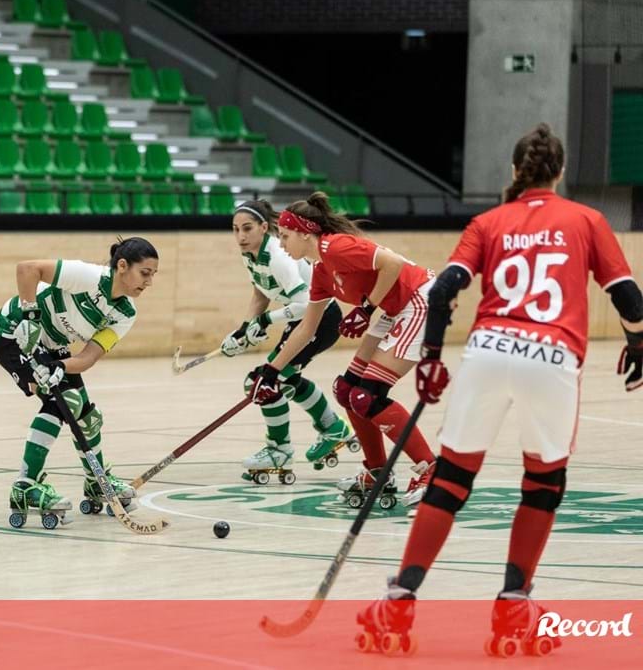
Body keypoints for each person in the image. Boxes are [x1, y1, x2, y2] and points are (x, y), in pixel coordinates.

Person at [358, 124, 643, 653]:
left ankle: (399, 600)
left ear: (514, 172)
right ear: (558, 174)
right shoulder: (587, 219)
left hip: (489, 353)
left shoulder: (488, 222)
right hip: (552, 357)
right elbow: (629, 298)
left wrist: (433, 358)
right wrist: (638, 345)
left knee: (450, 482)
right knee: (542, 484)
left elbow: (443, 291)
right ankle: (514, 602)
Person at [246, 192, 438, 509]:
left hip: (420, 300)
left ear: (305, 233)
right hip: (395, 308)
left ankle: (430, 469)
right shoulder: (321, 271)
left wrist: (365, 309)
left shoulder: (337, 246)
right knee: (347, 390)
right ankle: (377, 471)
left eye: (285, 236)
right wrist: (271, 372)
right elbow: (307, 328)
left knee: (368, 395)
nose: (281, 244)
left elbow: (392, 264)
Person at [0, 238, 159, 527]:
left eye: (153, 275)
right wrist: (30, 314)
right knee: (63, 402)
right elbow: (27, 269)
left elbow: (88, 357)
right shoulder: (88, 277)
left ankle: (96, 481)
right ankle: (25, 486)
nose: (149, 282)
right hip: (13, 332)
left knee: (87, 417)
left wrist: (58, 366)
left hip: (52, 346)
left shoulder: (125, 313)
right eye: (145, 273)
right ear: (122, 266)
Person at [218, 200, 357, 480]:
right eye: (235, 230)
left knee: (264, 381)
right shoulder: (250, 255)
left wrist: (266, 321)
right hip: (303, 319)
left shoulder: (278, 256)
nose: (240, 236)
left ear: (263, 227)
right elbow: (261, 293)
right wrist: (244, 329)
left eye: (247, 228)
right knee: (286, 379)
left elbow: (306, 304)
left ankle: (279, 449)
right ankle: (333, 428)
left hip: (320, 318)